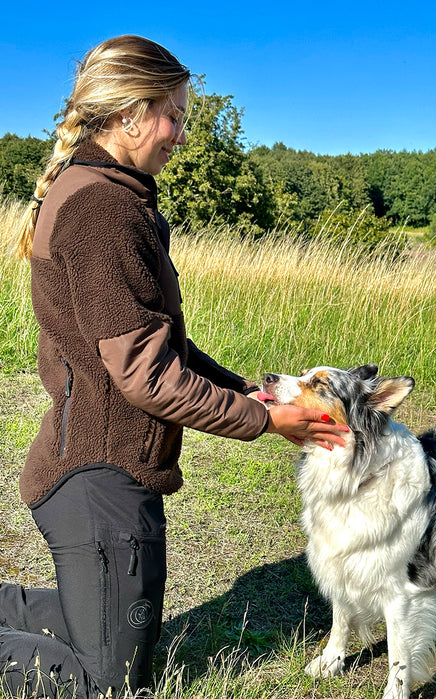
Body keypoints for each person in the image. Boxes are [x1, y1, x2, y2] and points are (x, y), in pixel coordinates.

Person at [1, 35, 348, 699]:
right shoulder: (102, 206)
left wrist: (244, 390)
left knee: (112, 646)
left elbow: (162, 348)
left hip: (96, 474)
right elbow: (145, 376)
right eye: (176, 116)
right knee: (112, 685)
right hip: (100, 482)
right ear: (130, 113)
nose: (182, 134)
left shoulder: (112, 193)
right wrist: (265, 420)